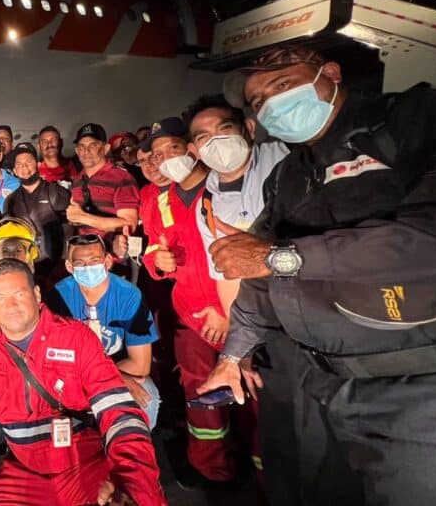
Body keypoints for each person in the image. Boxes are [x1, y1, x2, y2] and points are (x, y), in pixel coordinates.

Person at [198, 45, 436, 505]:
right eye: (259, 102)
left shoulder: (420, 117)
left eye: (281, 85)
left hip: (426, 390)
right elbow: (256, 272)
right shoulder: (288, 176)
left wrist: (284, 257)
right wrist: (233, 353)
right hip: (321, 383)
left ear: (331, 73)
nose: (271, 104)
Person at [0, 259, 167, 506]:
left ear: (36, 294)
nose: (11, 305)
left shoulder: (75, 338)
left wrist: (130, 481)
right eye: (1, 298)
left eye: (19, 294)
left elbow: (119, 413)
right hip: (25, 471)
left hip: (83, 462)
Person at [140, 116, 243, 486]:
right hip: (192, 320)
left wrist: (227, 312)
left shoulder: (224, 190)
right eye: (156, 153)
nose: (165, 158)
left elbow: (245, 255)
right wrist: (156, 262)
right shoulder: (161, 199)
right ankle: (213, 471)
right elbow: (154, 247)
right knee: (202, 400)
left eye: (173, 149)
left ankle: (268, 477)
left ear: (193, 150)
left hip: (238, 316)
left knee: (252, 400)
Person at [185, 95, 288, 319]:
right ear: (195, 150)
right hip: (267, 314)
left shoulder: (287, 158)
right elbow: (226, 274)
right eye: (204, 138)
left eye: (224, 128)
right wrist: (238, 332)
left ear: (249, 129)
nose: (216, 141)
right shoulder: (206, 205)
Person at [48, 235, 161, 428]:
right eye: (80, 263)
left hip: (117, 366)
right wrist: (109, 378)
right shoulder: (58, 297)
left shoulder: (129, 295)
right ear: (69, 267)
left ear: (108, 261)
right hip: (73, 374)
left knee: (146, 393)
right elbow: (52, 359)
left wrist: (109, 376)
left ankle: (135, 452)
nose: (88, 268)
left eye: (94, 261)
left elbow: (141, 365)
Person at [2, 142, 72, 279]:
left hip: (57, 270)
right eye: (19, 164)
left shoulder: (56, 192)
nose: (24, 167)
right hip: (25, 269)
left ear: (38, 164)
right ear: (15, 170)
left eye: (28, 161)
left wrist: (63, 264)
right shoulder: (10, 200)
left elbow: (69, 231)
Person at [67, 124, 139, 249]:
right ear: (77, 151)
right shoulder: (78, 180)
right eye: (81, 146)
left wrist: (83, 217)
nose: (86, 151)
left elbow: (129, 224)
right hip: (85, 254)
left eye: (93, 145)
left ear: (106, 149)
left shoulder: (122, 178)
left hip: (114, 258)